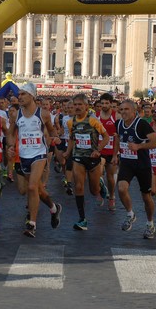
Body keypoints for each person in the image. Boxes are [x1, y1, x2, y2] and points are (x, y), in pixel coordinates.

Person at [6, 83, 62, 238]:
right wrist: (10, 146)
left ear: (32, 96)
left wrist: (55, 137)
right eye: (19, 94)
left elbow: (51, 130)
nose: (20, 97)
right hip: (24, 155)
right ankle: (54, 208)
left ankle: (32, 224)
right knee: (36, 190)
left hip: (39, 154)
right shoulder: (15, 115)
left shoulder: (42, 114)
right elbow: (10, 133)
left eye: (23, 94)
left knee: (31, 187)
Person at [112, 100, 156, 239]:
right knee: (121, 188)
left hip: (142, 165)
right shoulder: (119, 124)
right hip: (127, 163)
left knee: (146, 197)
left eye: (126, 109)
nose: (123, 112)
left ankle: (150, 223)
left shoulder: (142, 124)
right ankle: (130, 214)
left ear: (134, 111)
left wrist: (138, 147)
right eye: (121, 109)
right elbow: (118, 139)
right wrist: (115, 155)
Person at [64, 93, 109, 231]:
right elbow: (72, 138)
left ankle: (100, 184)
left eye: (80, 105)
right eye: (75, 105)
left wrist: (98, 150)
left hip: (92, 158)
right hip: (78, 157)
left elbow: (106, 137)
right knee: (78, 186)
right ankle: (82, 219)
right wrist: (68, 152)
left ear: (86, 106)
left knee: (94, 191)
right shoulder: (70, 122)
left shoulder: (93, 121)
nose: (77, 107)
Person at [96, 93, 119, 211]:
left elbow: (119, 137)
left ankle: (112, 196)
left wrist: (116, 154)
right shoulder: (96, 116)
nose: (104, 105)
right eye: (102, 103)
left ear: (110, 104)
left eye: (106, 103)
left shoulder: (116, 116)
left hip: (112, 150)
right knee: (98, 172)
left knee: (110, 177)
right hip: (99, 150)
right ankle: (100, 193)